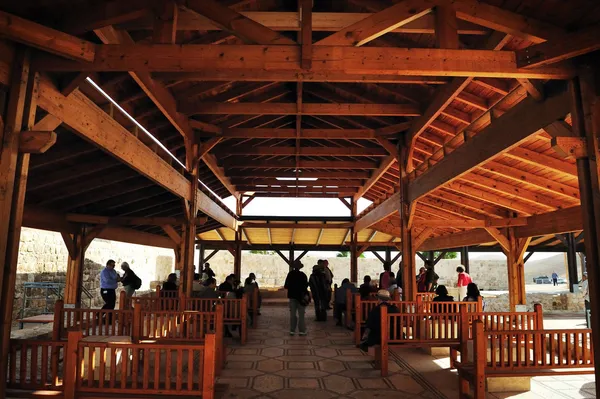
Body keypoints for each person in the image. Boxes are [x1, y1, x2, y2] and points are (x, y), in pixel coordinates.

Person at [284, 260, 309, 336]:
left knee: (293, 315)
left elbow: (286, 286)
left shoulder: (290, 274)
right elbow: (306, 285)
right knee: (301, 315)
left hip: (292, 297)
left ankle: (292, 330)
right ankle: (302, 331)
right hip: (301, 297)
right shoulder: (303, 275)